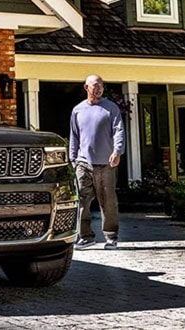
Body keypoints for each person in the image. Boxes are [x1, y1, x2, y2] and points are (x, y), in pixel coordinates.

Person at [69, 74, 125, 250]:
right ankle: (85, 237)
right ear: (86, 87)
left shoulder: (111, 108)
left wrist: (117, 151)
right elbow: (74, 136)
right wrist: (73, 160)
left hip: (106, 164)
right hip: (83, 163)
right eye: (95, 85)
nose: (99, 88)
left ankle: (111, 236)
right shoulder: (78, 110)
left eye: (101, 85)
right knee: (82, 201)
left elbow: (119, 131)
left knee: (108, 201)